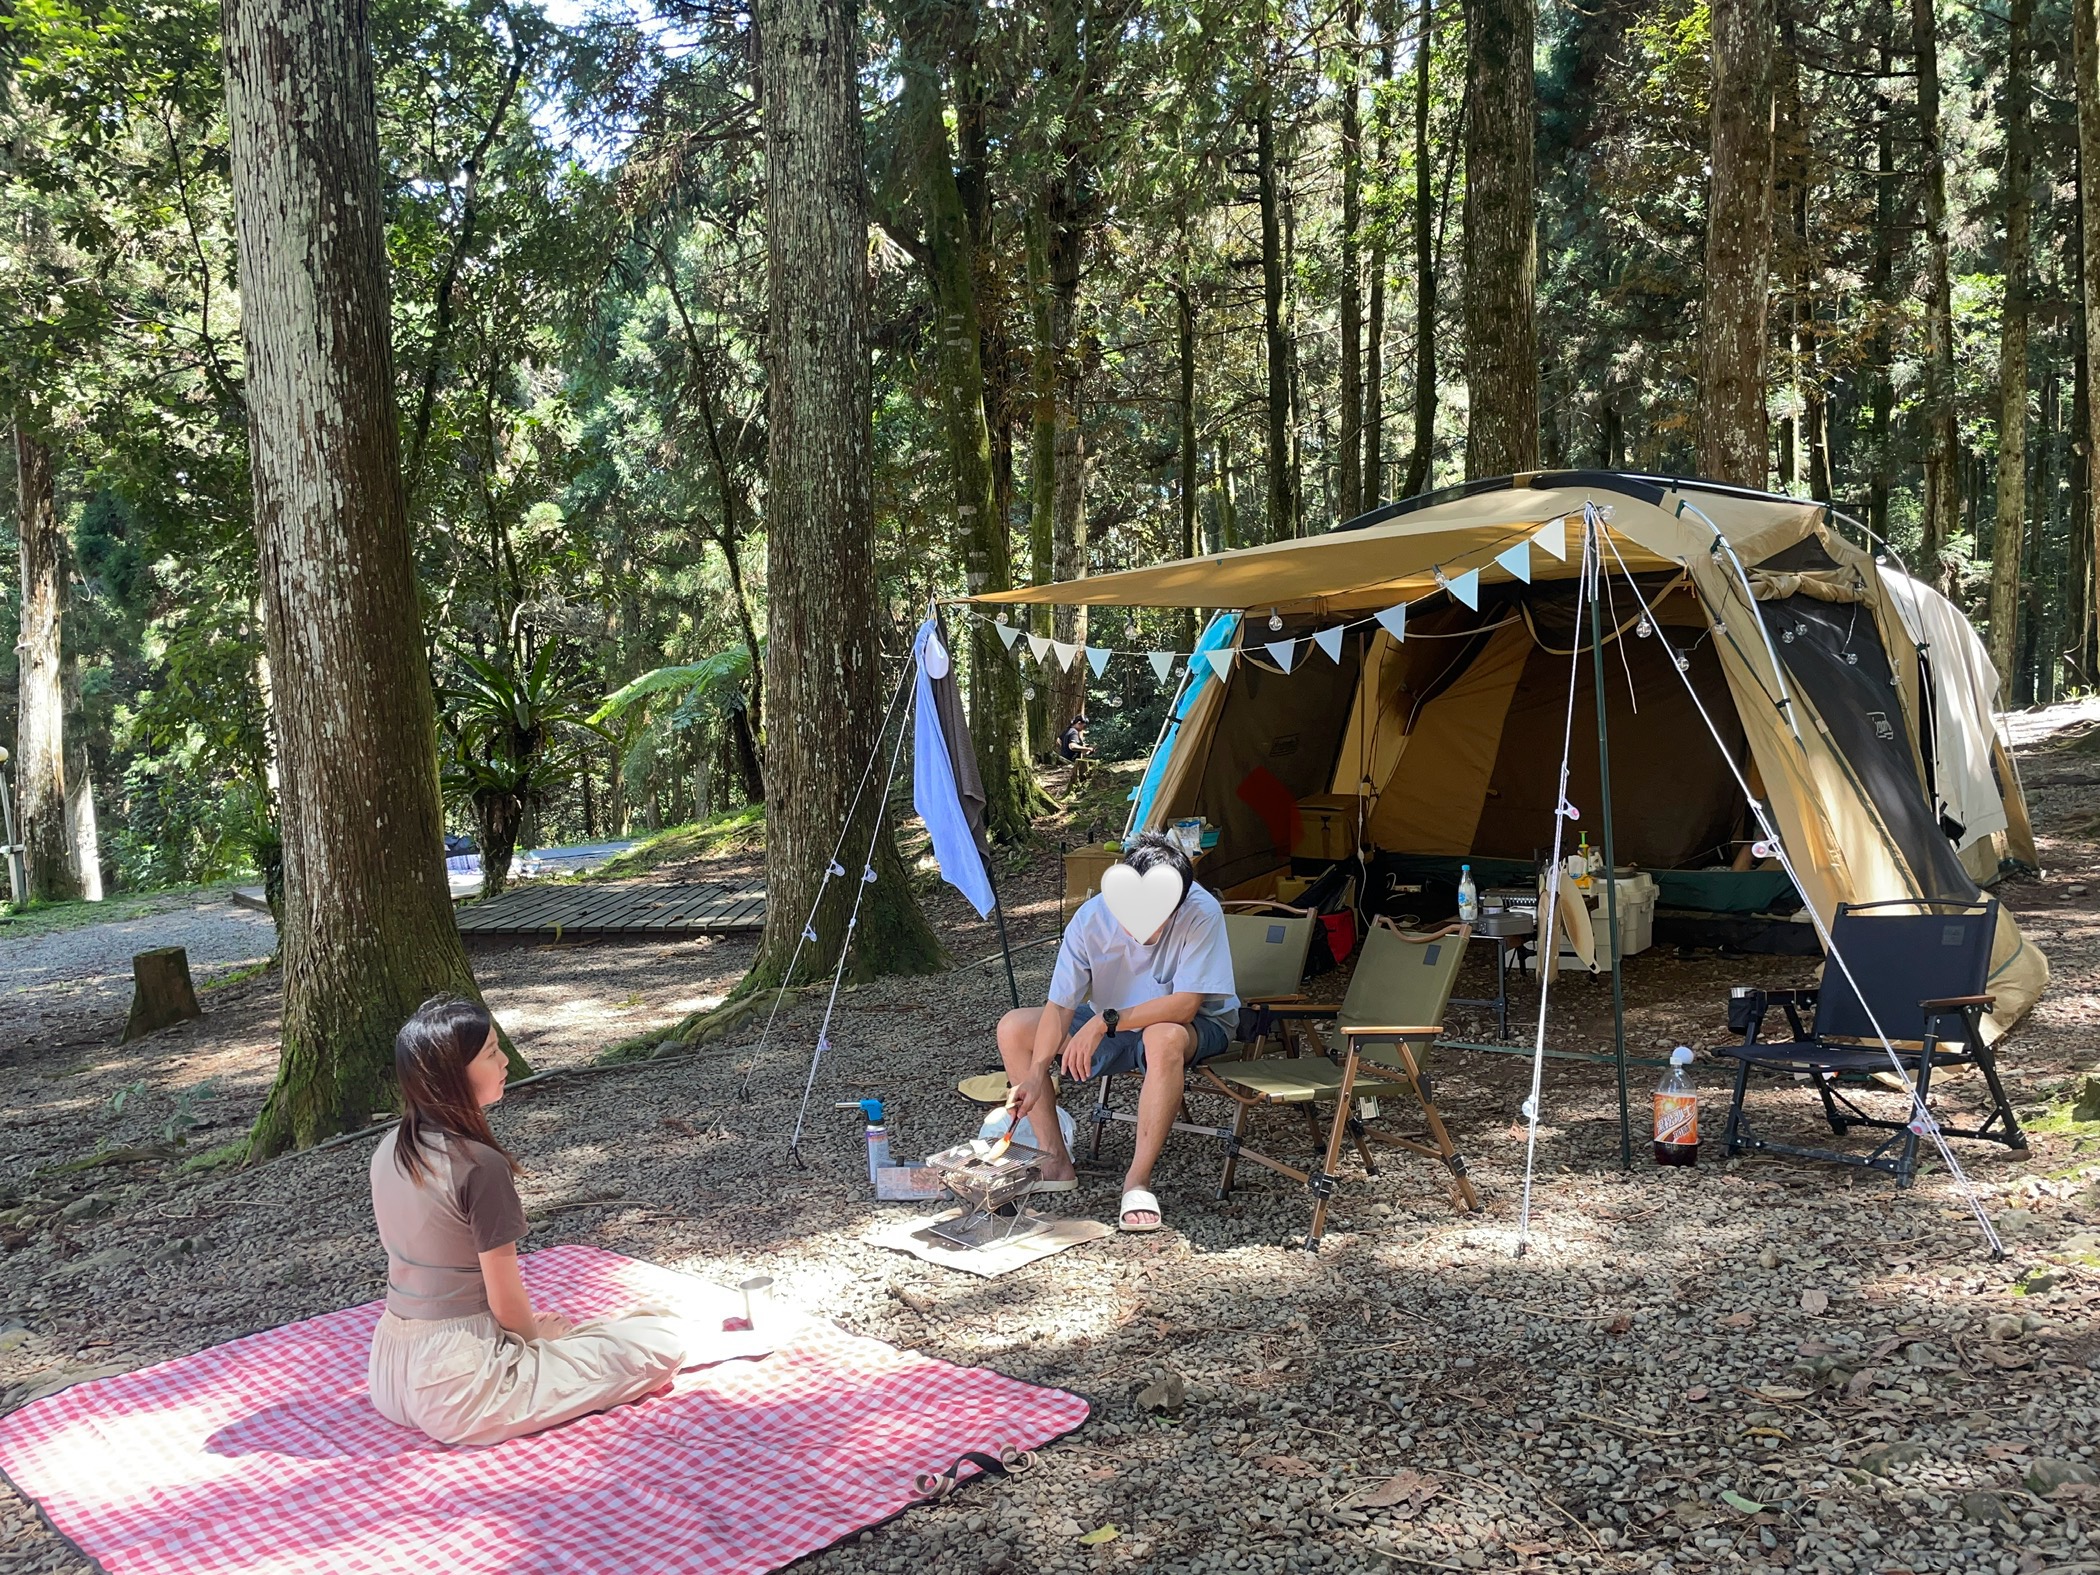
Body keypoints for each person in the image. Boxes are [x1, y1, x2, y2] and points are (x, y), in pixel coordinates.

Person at [367, 996, 696, 1447]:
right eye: (490, 1052)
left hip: (389, 1369)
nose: (505, 1061)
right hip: (458, 1386)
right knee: (659, 1341)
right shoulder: (478, 1165)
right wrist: (533, 1342)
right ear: (451, 1075)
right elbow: (504, 1300)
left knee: (581, 1332)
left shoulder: (389, 1148)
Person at [998, 832, 1240, 1232]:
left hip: (1193, 1026)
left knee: (1160, 1035)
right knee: (1014, 1028)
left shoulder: (1201, 909)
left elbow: (1184, 1005)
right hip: (1112, 1024)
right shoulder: (1091, 917)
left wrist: (1104, 1021)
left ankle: (1138, 1181)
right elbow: (1059, 1006)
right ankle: (1055, 1161)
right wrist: (1037, 1072)